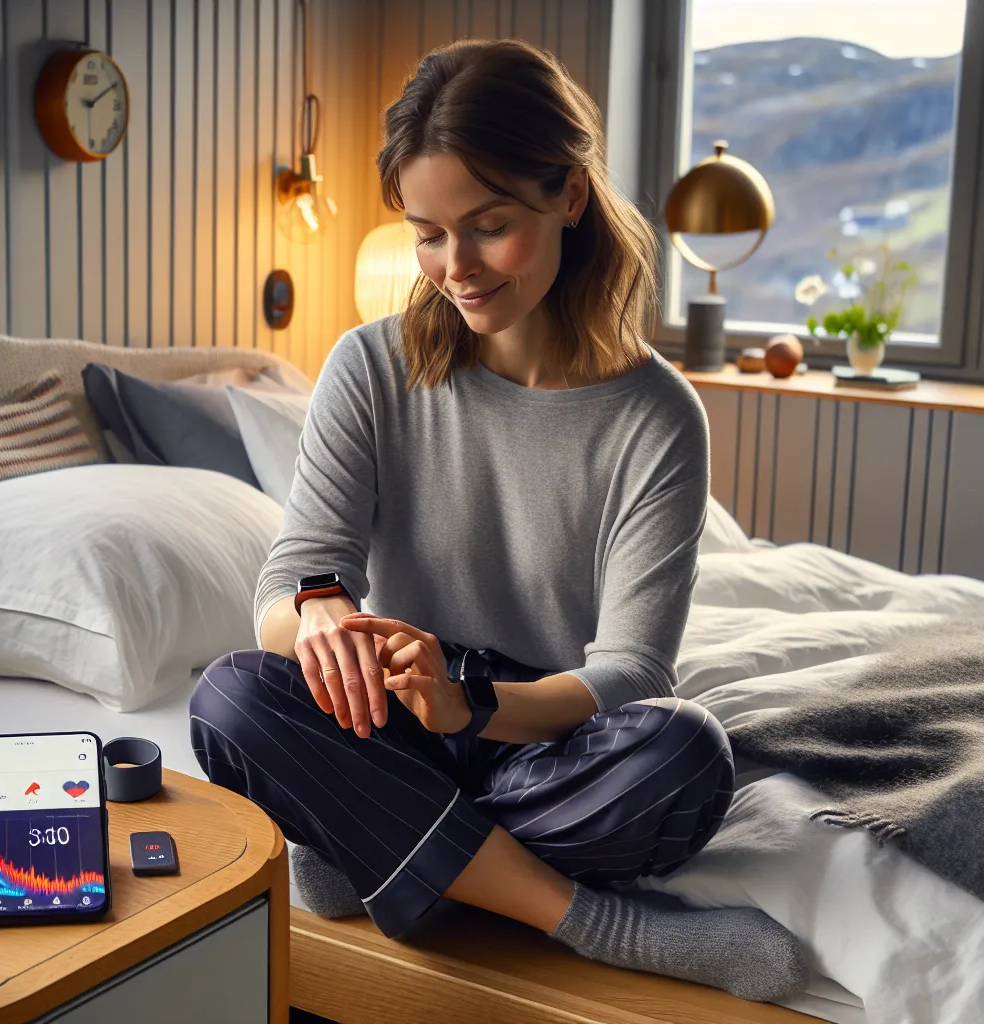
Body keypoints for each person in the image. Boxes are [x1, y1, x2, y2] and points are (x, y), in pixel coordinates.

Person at [189, 38, 806, 1003]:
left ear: (567, 195)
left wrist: (472, 707)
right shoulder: (368, 367)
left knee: (684, 754)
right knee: (230, 698)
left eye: (488, 226)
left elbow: (631, 671)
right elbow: (295, 578)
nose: (454, 268)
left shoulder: (656, 414)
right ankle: (591, 921)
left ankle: (369, 840)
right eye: (428, 233)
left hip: (538, 729)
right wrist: (318, 621)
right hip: (390, 713)